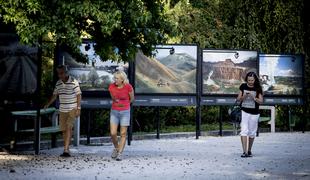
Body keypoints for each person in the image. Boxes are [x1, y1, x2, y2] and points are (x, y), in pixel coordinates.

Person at [44, 65, 81, 157]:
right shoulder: (58, 83)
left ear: (66, 72)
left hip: (72, 108)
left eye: (61, 73)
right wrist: (48, 104)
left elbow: (79, 95)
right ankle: (67, 148)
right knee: (64, 130)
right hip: (62, 109)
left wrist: (78, 108)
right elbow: (55, 95)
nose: (60, 75)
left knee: (68, 127)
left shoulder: (73, 82)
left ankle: (65, 150)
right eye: (58, 73)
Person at [108, 71, 134, 161]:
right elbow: (113, 98)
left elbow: (132, 99)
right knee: (113, 133)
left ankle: (119, 153)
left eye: (117, 78)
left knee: (123, 134)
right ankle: (116, 148)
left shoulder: (128, 87)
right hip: (114, 111)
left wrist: (124, 105)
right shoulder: (111, 86)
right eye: (114, 78)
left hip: (125, 112)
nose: (115, 80)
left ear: (122, 79)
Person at [237, 72, 263, 158]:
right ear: (246, 79)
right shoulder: (243, 86)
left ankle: (249, 150)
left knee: (252, 132)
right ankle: (244, 152)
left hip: (255, 113)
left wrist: (254, 98)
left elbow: (261, 101)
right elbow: (238, 99)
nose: (250, 82)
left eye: (252, 80)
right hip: (244, 111)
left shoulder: (258, 88)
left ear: (255, 80)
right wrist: (243, 97)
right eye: (248, 80)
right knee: (244, 130)